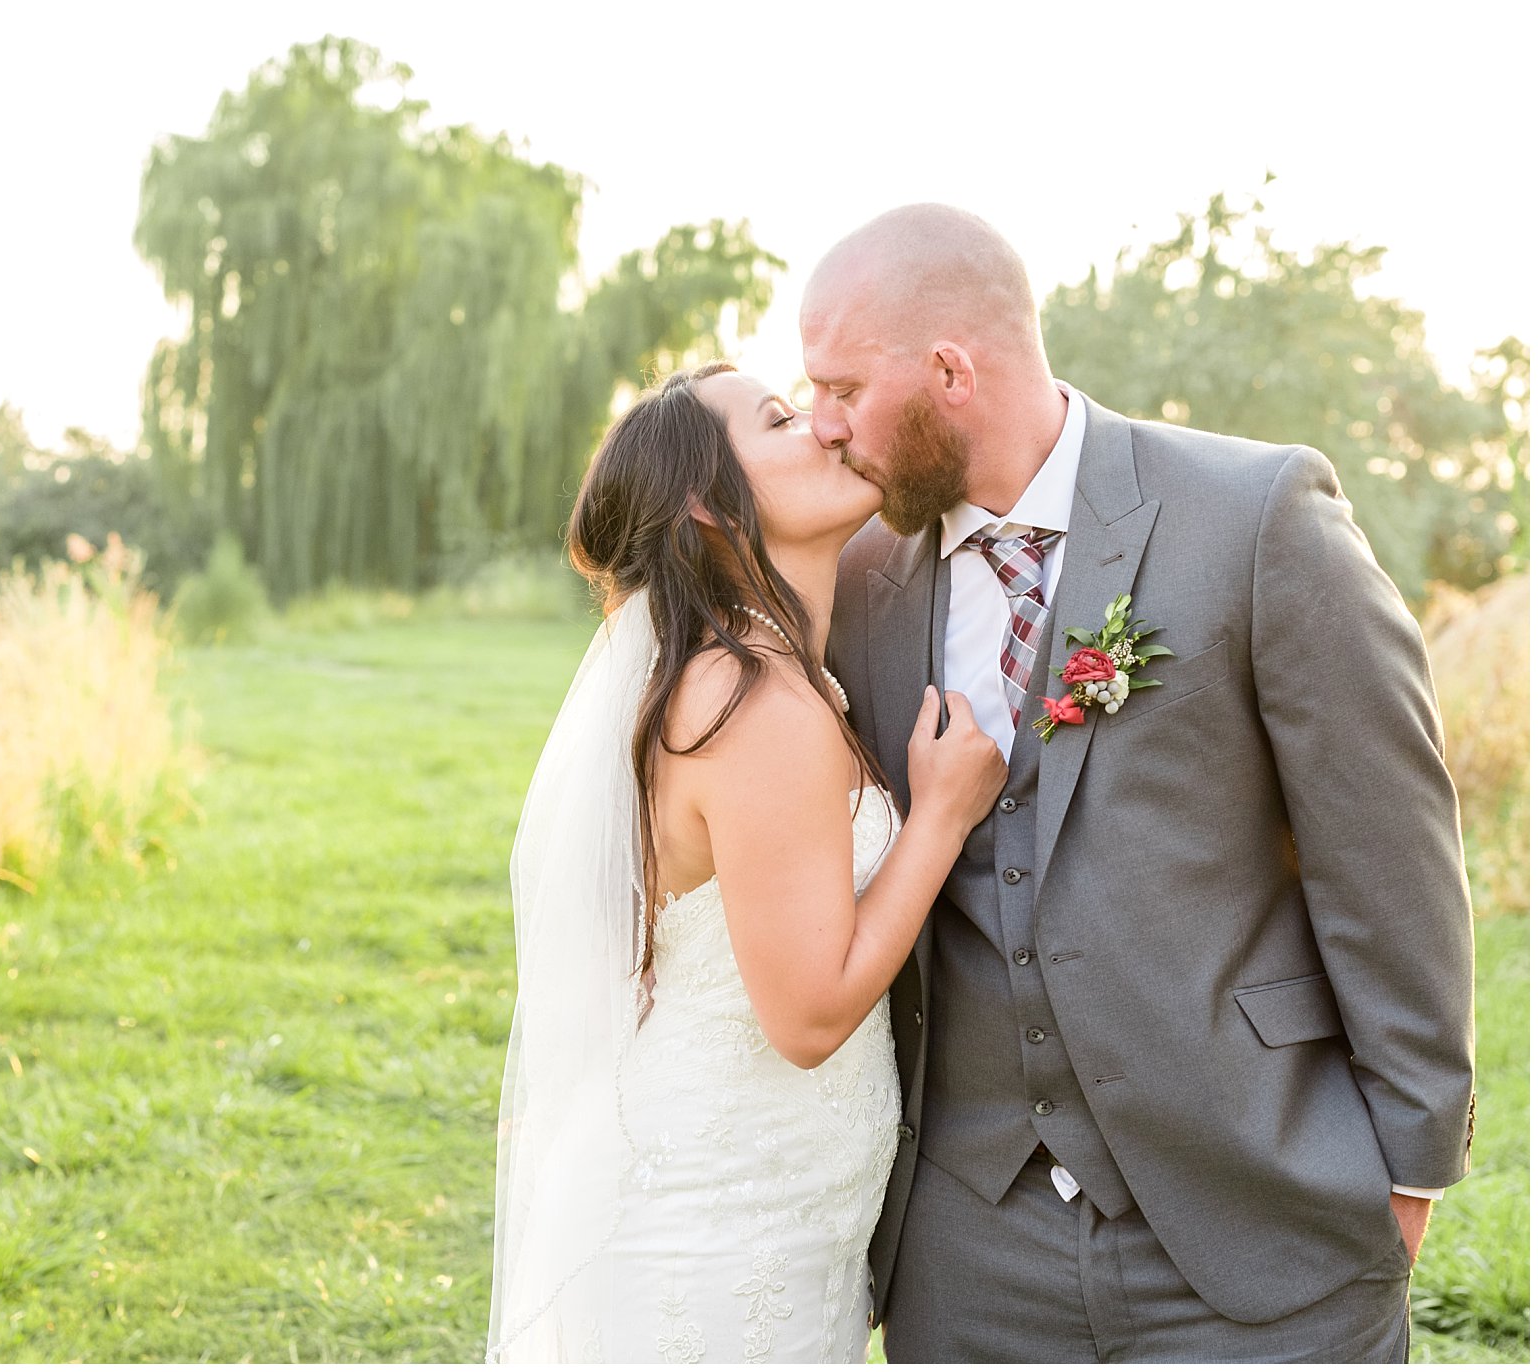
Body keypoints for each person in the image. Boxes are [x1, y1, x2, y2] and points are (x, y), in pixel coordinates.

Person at [805, 203, 1477, 1362]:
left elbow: (1388, 851)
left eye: (841, 389)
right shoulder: (858, 581)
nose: (821, 427)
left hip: (1255, 1206)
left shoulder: (1254, 516)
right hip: (971, 1246)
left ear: (950, 371)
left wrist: (1408, 1163)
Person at [486, 363, 1007, 1361]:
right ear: (704, 502)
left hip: (771, 1207)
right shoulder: (750, 701)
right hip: (715, 1231)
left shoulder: (756, 673)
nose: (821, 425)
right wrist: (939, 818)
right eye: (777, 420)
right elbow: (806, 1015)